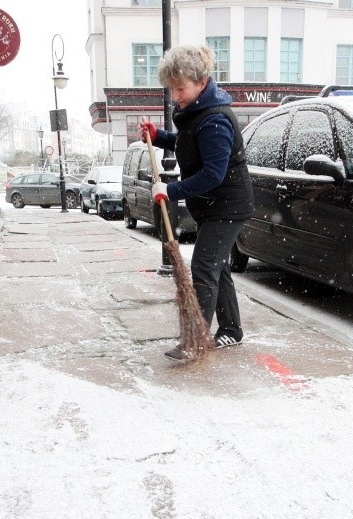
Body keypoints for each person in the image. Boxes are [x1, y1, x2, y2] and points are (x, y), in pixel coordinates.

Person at [139, 45, 254, 362]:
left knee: (204, 266)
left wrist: (170, 190)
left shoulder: (215, 120)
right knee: (218, 268)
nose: (176, 95)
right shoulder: (196, 113)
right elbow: (187, 144)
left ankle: (195, 339)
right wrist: (159, 135)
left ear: (201, 81)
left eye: (181, 88)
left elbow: (213, 174)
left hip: (228, 205)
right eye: (172, 88)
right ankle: (231, 329)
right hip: (213, 206)